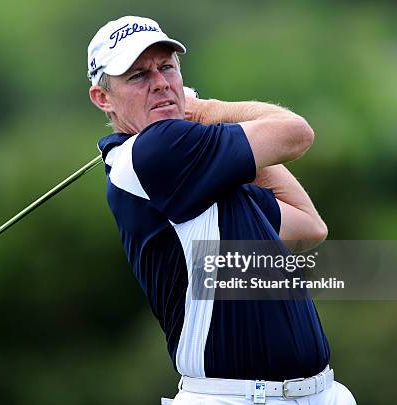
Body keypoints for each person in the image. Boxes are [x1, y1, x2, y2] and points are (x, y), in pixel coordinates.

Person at [87, 16, 356, 405]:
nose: (161, 82)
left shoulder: (198, 175)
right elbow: (297, 133)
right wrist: (209, 111)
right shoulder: (157, 150)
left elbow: (308, 226)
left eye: (167, 67)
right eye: (138, 76)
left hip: (318, 394)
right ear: (103, 98)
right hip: (235, 398)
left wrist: (238, 157)